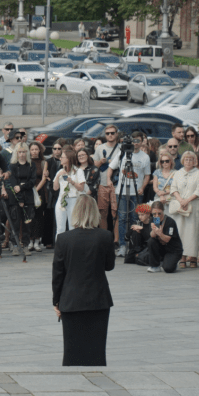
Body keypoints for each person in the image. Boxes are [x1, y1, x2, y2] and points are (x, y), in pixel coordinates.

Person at [51, 194, 115, 366]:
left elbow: (58, 274)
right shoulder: (105, 236)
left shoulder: (64, 239)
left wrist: (56, 301)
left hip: (71, 300)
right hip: (98, 299)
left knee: (72, 351)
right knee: (96, 351)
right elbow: (109, 266)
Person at [107, 132, 151, 257]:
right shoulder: (122, 154)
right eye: (134, 140)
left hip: (136, 192)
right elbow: (111, 167)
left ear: (142, 141)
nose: (135, 143)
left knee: (135, 218)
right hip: (121, 191)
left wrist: (142, 187)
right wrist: (109, 179)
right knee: (121, 218)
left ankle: (133, 244)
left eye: (138, 140)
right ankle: (122, 245)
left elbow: (147, 175)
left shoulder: (145, 157)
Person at [170, 151, 199, 269]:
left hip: (194, 205)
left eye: (191, 159)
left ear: (194, 161)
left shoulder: (198, 173)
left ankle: (193, 257)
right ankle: (182, 257)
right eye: (186, 159)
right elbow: (173, 188)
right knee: (180, 231)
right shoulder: (178, 173)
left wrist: (187, 200)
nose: (188, 162)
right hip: (180, 206)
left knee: (193, 232)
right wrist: (181, 200)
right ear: (183, 161)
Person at [140, 201, 183, 272]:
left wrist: (160, 233)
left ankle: (169, 261)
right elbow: (152, 235)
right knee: (151, 241)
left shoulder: (170, 222)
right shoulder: (153, 220)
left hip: (173, 249)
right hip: (162, 248)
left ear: (163, 211)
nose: (157, 216)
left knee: (168, 269)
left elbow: (167, 239)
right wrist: (154, 230)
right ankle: (155, 266)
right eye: (154, 214)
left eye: (159, 213)